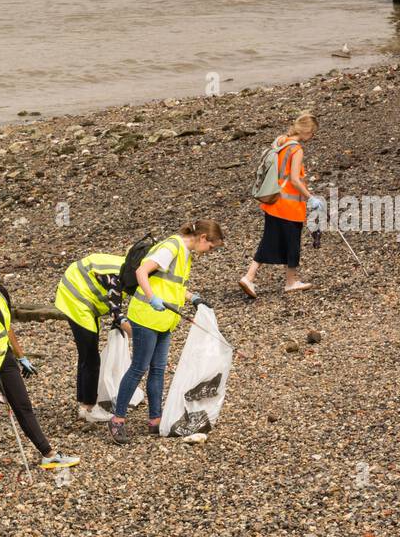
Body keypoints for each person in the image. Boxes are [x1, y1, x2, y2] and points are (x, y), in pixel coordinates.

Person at [0, 259, 80, 480]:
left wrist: (21, 356)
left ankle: (48, 454)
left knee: (23, 405)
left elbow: (6, 327)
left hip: (4, 357)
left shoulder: (1, 294)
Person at [109, 221, 225, 443]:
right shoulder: (172, 247)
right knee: (138, 368)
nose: (210, 252)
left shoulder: (186, 254)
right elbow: (142, 271)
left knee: (158, 369)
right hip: (146, 316)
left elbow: (172, 286)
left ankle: (155, 419)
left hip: (164, 320)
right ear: (202, 238)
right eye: (211, 247)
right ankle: (117, 420)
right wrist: (152, 297)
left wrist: (193, 298)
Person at [239, 112, 323, 297]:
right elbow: (294, 179)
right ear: (307, 130)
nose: (313, 137)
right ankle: (290, 282)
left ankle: (249, 276)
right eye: (313, 133)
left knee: (269, 241)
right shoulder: (297, 149)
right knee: (291, 244)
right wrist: (311, 198)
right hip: (289, 207)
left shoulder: (281, 142)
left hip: (274, 202)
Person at [53, 251, 132, 423]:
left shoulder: (129, 266)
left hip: (78, 290)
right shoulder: (116, 278)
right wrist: (137, 335)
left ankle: (82, 403)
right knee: (91, 357)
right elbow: (116, 313)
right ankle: (88, 408)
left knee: (86, 354)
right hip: (76, 298)